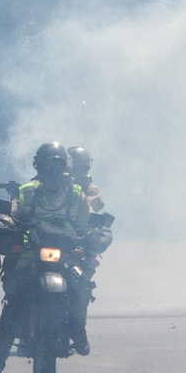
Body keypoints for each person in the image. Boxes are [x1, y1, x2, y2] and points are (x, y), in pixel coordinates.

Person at [0, 142, 94, 373]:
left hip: (65, 257)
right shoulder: (26, 192)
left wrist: (97, 234)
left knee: (81, 287)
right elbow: (11, 213)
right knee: (13, 301)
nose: (53, 169)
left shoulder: (77, 194)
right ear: (38, 166)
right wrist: (3, 222)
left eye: (57, 163)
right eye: (48, 164)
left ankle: (79, 333)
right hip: (29, 254)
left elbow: (88, 223)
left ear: (65, 165)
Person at [67, 146, 109, 352]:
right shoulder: (54, 183)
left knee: (82, 285)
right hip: (55, 236)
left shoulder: (89, 188)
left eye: (82, 169)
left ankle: (78, 331)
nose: (79, 173)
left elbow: (95, 205)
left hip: (79, 240)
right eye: (76, 168)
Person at [68, 146, 104, 213]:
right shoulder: (61, 185)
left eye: (83, 170)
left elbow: (96, 204)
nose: (81, 174)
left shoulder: (92, 189)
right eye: (77, 170)